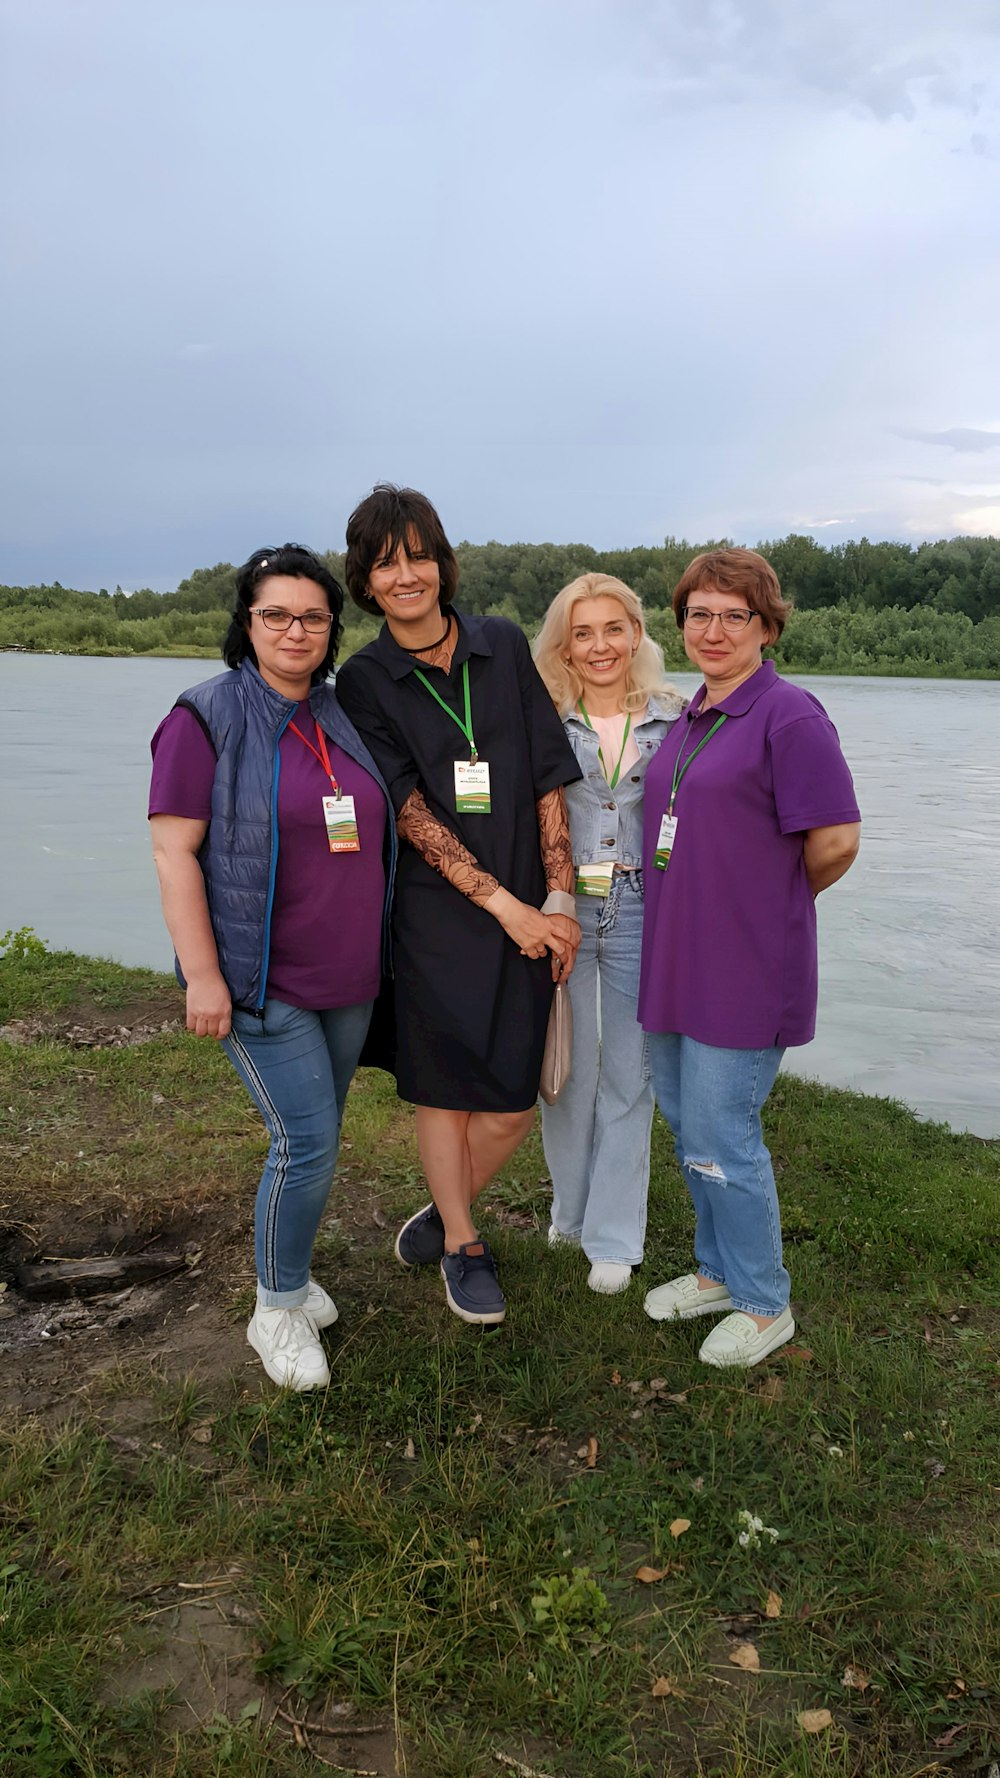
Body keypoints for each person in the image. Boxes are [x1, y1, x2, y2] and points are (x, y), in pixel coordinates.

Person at [148, 544, 395, 1391]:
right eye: (276, 615)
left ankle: (293, 1270)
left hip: (348, 978)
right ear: (246, 624)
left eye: (314, 616)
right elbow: (173, 850)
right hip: (261, 979)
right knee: (305, 1141)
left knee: (317, 1141)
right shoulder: (205, 715)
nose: (296, 630)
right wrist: (203, 974)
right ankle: (275, 1305)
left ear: (333, 628)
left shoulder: (338, 713)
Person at [336, 485, 582, 1328]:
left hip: (532, 899)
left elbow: (549, 771)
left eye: (417, 555)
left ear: (441, 560)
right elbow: (408, 810)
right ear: (366, 582)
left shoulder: (502, 645)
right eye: (384, 562)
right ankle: (466, 1245)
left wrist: (555, 892)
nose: (406, 575)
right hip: (438, 914)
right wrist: (506, 907)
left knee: (512, 1101)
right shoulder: (363, 678)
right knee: (444, 1089)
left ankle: (444, 1211)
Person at [639, 548, 860, 1366]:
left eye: (736, 615)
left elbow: (835, 840)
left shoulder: (789, 715)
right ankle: (718, 1272)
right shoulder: (694, 714)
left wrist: (768, 906)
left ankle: (766, 1302)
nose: (715, 629)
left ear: (767, 627)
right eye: (699, 613)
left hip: (745, 965)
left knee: (723, 1133)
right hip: (675, 958)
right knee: (686, 1122)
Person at [532, 574, 683, 1293]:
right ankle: (570, 1210)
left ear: (636, 634)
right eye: (583, 632)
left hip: (645, 906)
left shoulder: (677, 718)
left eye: (614, 629)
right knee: (565, 1075)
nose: (600, 646)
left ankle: (616, 1238)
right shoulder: (537, 721)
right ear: (564, 644)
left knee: (631, 1075)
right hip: (561, 906)